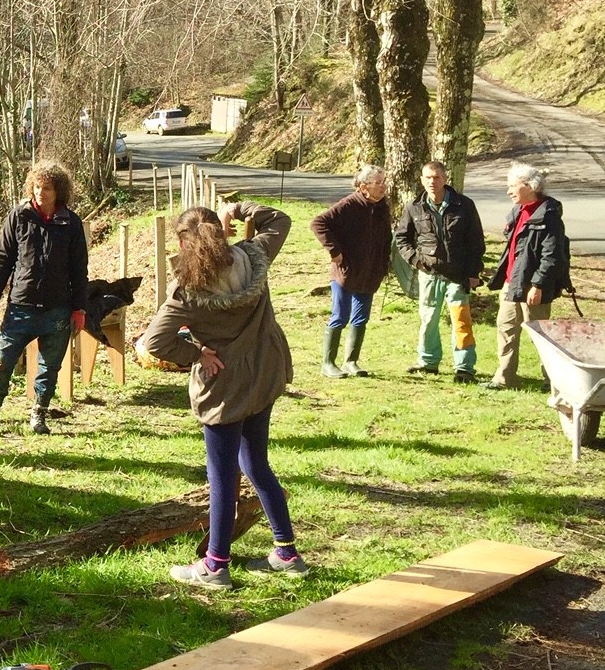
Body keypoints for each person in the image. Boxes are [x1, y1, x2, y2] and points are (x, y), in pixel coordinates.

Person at [141, 202, 305, 590]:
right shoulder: (255, 256)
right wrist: (239, 208)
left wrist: (196, 354)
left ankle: (216, 565)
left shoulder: (188, 293)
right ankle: (287, 553)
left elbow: (153, 342)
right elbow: (280, 219)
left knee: (222, 476)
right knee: (255, 462)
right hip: (265, 374)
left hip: (225, 388)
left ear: (183, 242)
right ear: (222, 232)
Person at [0, 161, 89, 437]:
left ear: (58, 190)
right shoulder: (18, 216)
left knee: (49, 368)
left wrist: (79, 308)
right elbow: (3, 258)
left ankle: (39, 415)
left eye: (47, 188)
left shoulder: (71, 223)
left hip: (57, 310)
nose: (41, 192)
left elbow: (79, 269)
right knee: (3, 360)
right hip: (20, 306)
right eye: (37, 186)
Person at [394, 161, 486, 384]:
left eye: (436, 177)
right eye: (427, 178)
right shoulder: (413, 207)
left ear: (445, 179)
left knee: (461, 321)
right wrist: (415, 260)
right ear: (422, 180)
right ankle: (428, 362)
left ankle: (464, 368)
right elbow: (402, 238)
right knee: (428, 320)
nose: (432, 182)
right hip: (429, 274)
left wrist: (474, 272)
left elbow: (476, 242)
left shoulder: (464, 205)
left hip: (458, 275)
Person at [484, 163, 572, 389]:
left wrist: (538, 284)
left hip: (533, 287)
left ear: (530, 186)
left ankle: (553, 381)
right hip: (511, 283)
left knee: (541, 335)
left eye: (512, 186)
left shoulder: (549, 216)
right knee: (505, 329)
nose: (508, 191)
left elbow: (552, 256)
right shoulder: (517, 212)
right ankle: (505, 379)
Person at [310, 165, 392, 378]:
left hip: (370, 273)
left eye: (384, 181)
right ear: (364, 186)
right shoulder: (348, 205)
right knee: (340, 316)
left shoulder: (383, 207)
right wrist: (335, 252)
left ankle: (351, 362)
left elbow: (386, 239)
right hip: (346, 272)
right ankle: (328, 363)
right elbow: (318, 223)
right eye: (379, 182)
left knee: (361, 318)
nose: (384, 186)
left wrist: (384, 265)